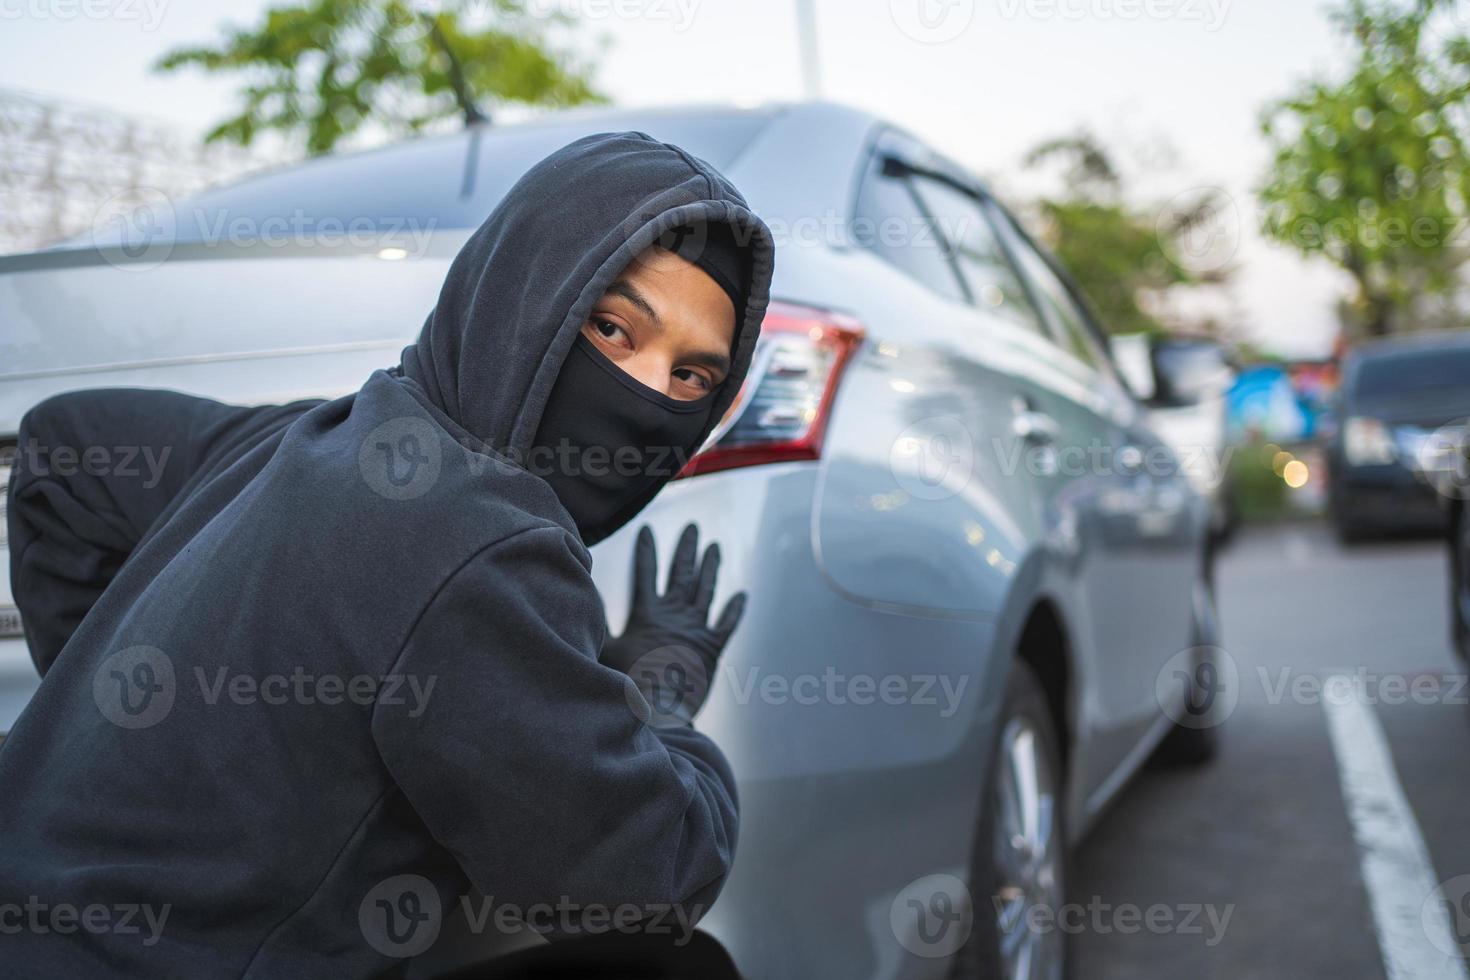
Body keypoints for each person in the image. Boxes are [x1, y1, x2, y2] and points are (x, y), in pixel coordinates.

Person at [0, 130, 775, 977]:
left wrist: (139, 729)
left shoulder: (322, 434)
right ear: (524, 295)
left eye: (693, 377)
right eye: (613, 329)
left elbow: (61, 451)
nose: (648, 397)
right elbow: (647, 880)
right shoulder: (482, 538)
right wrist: (660, 694)